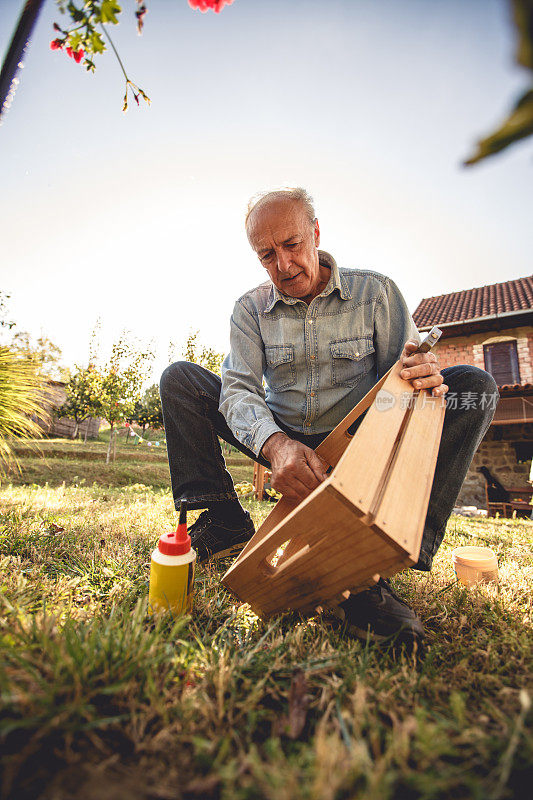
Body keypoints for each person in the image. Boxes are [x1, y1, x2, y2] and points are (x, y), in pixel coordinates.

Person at [160, 188, 498, 647]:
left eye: (293, 245)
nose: (283, 265)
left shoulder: (376, 292)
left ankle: (379, 559)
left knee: (474, 387)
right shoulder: (249, 309)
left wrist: (426, 372)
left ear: (316, 233)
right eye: (266, 255)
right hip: (283, 436)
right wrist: (275, 445)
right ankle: (223, 521)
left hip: (358, 434)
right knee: (180, 379)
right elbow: (238, 389)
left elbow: (412, 371)